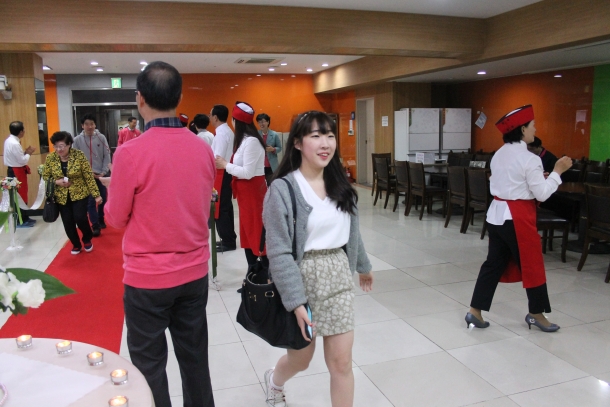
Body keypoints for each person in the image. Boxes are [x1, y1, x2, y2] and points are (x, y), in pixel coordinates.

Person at [104, 61, 216, 407]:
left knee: (149, 367)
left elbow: (115, 219)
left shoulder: (130, 153)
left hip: (147, 279)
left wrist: (112, 192)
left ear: (140, 99)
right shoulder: (202, 148)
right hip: (194, 273)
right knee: (195, 359)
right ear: (179, 98)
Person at [262, 111, 374, 407]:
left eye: (330, 136)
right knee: (301, 359)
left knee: (341, 363)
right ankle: (275, 380)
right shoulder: (282, 190)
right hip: (300, 280)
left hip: (337, 276)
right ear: (298, 143)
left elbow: (352, 233)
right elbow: (279, 252)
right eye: (316, 136)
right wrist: (296, 302)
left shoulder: (341, 186)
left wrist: (363, 266)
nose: (326, 144)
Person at [466, 105, 572, 333]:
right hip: (517, 217)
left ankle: (475, 310)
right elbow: (542, 194)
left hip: (496, 215)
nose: (535, 129)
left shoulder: (498, 154)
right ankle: (536, 314)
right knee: (532, 265)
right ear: (523, 129)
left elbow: (512, 182)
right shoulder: (530, 159)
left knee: (493, 264)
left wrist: (541, 178)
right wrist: (557, 172)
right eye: (533, 125)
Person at [215, 102, 268, 281]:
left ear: (236, 121)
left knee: (256, 233)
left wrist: (225, 165)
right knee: (246, 234)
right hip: (245, 194)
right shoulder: (244, 140)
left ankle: (264, 276)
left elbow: (248, 172)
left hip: (254, 193)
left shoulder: (251, 141)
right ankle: (252, 276)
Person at [42, 131, 101, 254]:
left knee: (80, 218)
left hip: (79, 193)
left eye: (62, 146)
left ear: (69, 144)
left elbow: (88, 176)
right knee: (68, 221)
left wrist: (96, 195)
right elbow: (46, 176)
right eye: (56, 146)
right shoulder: (50, 158)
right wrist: (57, 182)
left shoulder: (79, 155)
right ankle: (76, 244)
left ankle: (87, 238)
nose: (59, 149)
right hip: (61, 196)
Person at [72, 114, 111, 237]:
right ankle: (95, 225)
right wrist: (87, 172)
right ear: (82, 126)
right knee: (91, 201)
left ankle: (101, 218)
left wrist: (103, 171)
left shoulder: (101, 138)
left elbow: (107, 155)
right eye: (87, 124)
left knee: (103, 198)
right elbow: (75, 159)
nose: (90, 126)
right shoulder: (77, 140)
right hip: (86, 176)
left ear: (95, 125)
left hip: (101, 174)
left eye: (92, 124)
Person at [210, 104, 237, 251]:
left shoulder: (221, 134)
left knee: (220, 208)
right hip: (225, 173)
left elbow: (217, 159)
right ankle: (228, 238)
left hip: (220, 174)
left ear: (215, 117)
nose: (210, 118)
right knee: (226, 207)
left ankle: (228, 241)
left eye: (210, 115)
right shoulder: (227, 131)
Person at [4, 121, 36, 227]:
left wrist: (25, 153)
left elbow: (18, 158)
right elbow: (22, 161)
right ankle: (20, 220)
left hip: (15, 170)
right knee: (19, 196)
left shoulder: (9, 140)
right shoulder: (14, 143)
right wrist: (29, 153)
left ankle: (24, 217)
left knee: (22, 195)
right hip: (16, 171)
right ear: (21, 132)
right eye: (23, 130)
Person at [257, 113, 283, 185]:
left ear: (268, 122)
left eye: (263, 121)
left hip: (271, 165)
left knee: (271, 183)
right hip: (260, 165)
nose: (261, 124)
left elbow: (280, 148)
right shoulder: (256, 134)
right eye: (259, 122)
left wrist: (273, 149)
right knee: (261, 185)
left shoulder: (274, 134)